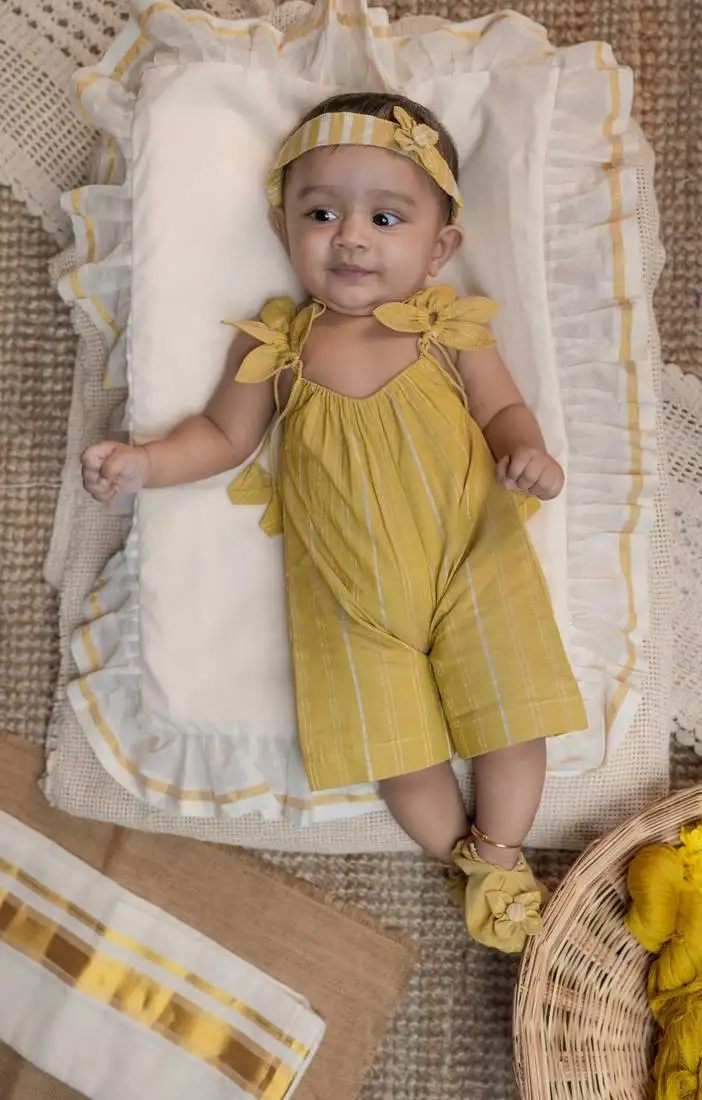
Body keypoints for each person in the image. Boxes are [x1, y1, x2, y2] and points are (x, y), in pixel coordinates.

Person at [81, 91, 587, 953]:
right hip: (350, 600)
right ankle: (470, 865)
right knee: (397, 750)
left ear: (440, 247)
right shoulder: (273, 348)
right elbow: (220, 439)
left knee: (511, 717)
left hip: (474, 557)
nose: (349, 237)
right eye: (321, 213)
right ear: (284, 230)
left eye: (386, 216)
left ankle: (499, 848)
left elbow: (504, 411)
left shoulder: (444, 328)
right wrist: (145, 464)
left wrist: (527, 455)